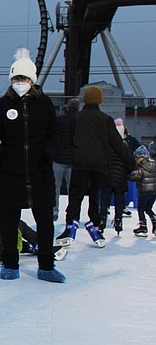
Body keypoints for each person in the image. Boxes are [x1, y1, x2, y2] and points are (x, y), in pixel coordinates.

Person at [0, 48, 64, 283]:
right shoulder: (2, 105)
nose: (21, 83)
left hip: (40, 172)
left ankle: (46, 266)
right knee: (9, 221)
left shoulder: (45, 104)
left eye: (25, 79)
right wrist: (0, 156)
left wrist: (48, 153)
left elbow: (54, 133)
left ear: (33, 80)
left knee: (45, 221)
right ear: (11, 79)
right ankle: (10, 264)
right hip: (10, 173)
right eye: (17, 78)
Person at [58, 86, 135, 248]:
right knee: (94, 196)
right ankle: (94, 224)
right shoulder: (105, 119)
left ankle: (71, 224)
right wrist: (131, 165)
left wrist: (77, 152)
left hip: (80, 162)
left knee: (76, 195)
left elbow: (70, 140)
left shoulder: (76, 118)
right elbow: (117, 144)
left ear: (85, 99)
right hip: (99, 164)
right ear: (100, 100)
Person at [99, 119, 132, 235]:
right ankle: (118, 220)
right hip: (120, 178)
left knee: (104, 199)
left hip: (107, 177)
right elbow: (129, 161)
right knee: (119, 201)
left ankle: (102, 219)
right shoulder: (124, 147)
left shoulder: (105, 146)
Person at [52, 98, 79, 221]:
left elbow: (54, 137)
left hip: (58, 157)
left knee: (55, 187)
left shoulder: (59, 120)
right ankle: (72, 212)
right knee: (72, 188)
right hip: (73, 159)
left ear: (67, 107)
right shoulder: (79, 121)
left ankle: (54, 211)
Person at [130, 145, 156, 237]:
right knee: (148, 209)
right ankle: (155, 223)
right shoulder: (154, 164)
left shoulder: (140, 167)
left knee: (141, 209)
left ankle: (143, 226)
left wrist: (130, 176)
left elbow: (137, 177)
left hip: (144, 192)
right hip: (153, 192)